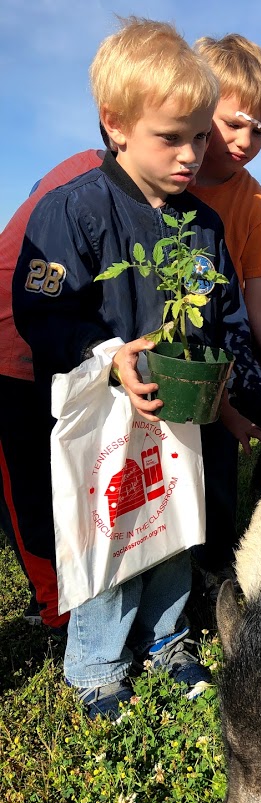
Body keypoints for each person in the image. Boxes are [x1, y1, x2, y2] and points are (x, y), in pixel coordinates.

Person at [12, 17, 261, 721]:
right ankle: (99, 665)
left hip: (178, 411)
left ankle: (166, 640)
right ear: (116, 125)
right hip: (108, 407)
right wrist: (109, 359)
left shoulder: (204, 227)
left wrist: (224, 400)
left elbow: (221, 319)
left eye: (200, 135)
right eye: (173, 137)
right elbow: (44, 311)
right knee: (113, 522)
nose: (193, 154)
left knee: (172, 519)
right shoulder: (75, 213)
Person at [188, 33, 261, 581]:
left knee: (215, 465)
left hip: (220, 361)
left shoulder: (259, 208)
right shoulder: (153, 181)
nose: (247, 140)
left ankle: (214, 576)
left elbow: (260, 305)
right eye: (234, 123)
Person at [0, 140, 109, 630]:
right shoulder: (85, 186)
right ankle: (55, 608)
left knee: (60, 471)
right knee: (25, 483)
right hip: (13, 345)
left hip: (55, 349)